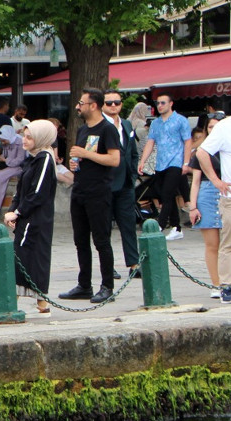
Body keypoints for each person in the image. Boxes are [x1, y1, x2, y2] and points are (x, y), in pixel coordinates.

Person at [59, 88, 122, 304]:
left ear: (93, 105)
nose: (78, 106)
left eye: (81, 103)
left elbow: (114, 160)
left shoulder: (108, 129)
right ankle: (84, 284)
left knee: (101, 240)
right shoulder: (83, 129)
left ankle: (107, 286)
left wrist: (86, 154)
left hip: (98, 191)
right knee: (80, 240)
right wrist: (76, 162)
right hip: (80, 189)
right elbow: (84, 157)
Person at [4, 119, 59, 318]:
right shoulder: (32, 158)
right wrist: (12, 210)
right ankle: (41, 303)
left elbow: (37, 192)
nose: (24, 141)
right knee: (27, 254)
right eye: (24, 136)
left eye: (29, 137)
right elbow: (21, 189)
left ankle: (11, 297)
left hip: (37, 218)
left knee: (27, 254)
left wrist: (18, 212)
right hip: (27, 215)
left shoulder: (44, 159)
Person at [196, 107, 231, 304]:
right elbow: (202, 152)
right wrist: (216, 181)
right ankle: (227, 285)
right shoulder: (225, 127)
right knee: (229, 242)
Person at [188, 115, 231, 300]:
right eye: (211, 127)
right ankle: (216, 283)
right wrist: (193, 206)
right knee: (212, 244)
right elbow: (195, 182)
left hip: (230, 192)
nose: (214, 130)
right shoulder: (202, 150)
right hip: (207, 193)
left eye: (218, 127)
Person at [139, 93, 193, 241]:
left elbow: (188, 142)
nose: (160, 106)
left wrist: (186, 162)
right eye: (158, 103)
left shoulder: (181, 121)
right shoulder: (155, 123)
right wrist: (143, 160)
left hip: (176, 161)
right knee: (165, 194)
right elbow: (151, 142)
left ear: (171, 104)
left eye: (163, 103)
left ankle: (161, 224)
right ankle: (176, 227)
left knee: (167, 193)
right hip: (161, 163)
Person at [102, 90, 142, 279]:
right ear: (102, 105)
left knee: (128, 225)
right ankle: (108, 266)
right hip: (106, 184)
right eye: (109, 103)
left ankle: (134, 264)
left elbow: (132, 152)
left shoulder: (126, 124)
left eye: (116, 102)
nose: (113, 106)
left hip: (126, 183)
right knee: (104, 228)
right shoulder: (98, 125)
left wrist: (132, 176)